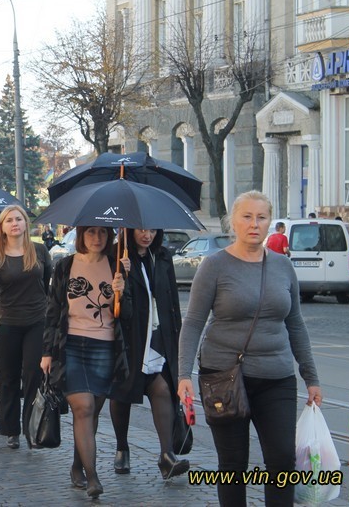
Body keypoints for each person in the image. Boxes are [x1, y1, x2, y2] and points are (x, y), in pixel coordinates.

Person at [178, 190, 322, 506]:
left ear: (270, 222)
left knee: (282, 460)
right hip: (224, 378)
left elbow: (296, 324)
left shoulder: (284, 267)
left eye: (261, 217)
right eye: (247, 217)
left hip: (277, 377)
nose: (254, 224)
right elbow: (193, 323)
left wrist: (311, 377)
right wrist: (183, 374)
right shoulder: (214, 266)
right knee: (233, 465)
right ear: (234, 221)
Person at [41, 225, 127, 498]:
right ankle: (93, 478)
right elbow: (53, 309)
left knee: (92, 411)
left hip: (105, 346)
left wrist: (123, 291)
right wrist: (47, 352)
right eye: (91, 232)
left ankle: (78, 465)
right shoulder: (65, 266)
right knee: (84, 407)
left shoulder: (118, 266)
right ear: (80, 235)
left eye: (103, 232)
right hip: (72, 346)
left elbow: (132, 312)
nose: (97, 238)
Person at [109, 228, 189, 480]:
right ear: (130, 231)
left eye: (153, 230)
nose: (147, 235)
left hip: (159, 336)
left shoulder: (162, 256)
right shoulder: (117, 255)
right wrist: (124, 276)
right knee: (122, 393)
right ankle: (122, 446)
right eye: (142, 230)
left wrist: (178, 338)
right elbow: (119, 309)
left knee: (163, 388)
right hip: (130, 339)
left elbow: (172, 300)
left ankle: (167, 455)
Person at [0, 205, 52, 449]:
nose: (15, 223)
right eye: (9, 220)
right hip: (7, 323)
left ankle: (31, 429)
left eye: (19, 219)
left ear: (26, 223)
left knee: (33, 376)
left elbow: (47, 286)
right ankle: (10, 429)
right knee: (8, 376)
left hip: (36, 322)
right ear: (2, 227)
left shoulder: (40, 251)